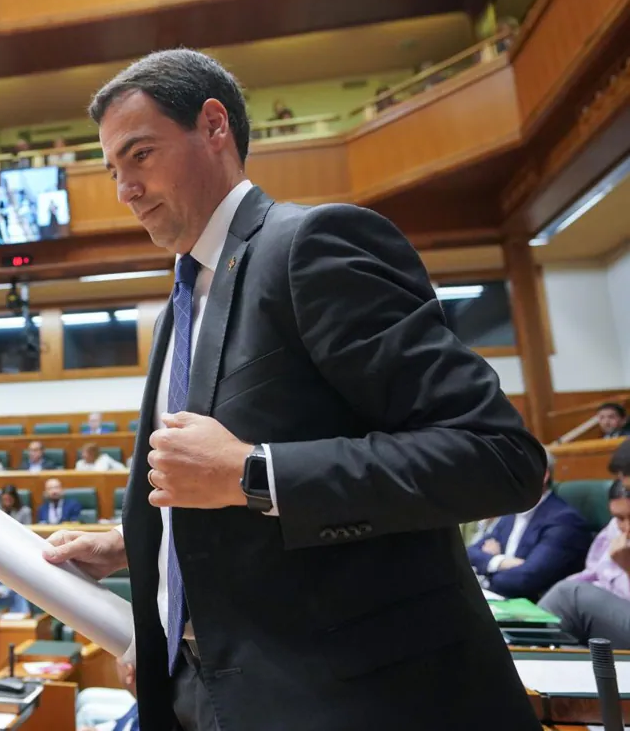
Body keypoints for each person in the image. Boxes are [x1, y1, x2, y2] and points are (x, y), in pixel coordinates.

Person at [42, 49, 545, 731]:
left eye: (140, 154)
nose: (124, 187)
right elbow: (215, 497)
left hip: (356, 702)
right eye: (113, 168)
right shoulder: (180, 307)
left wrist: (254, 473)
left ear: (214, 125)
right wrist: (139, 545)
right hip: (209, 693)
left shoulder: (312, 244)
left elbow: (497, 457)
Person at [466, 450, 590, 599]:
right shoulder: (512, 512)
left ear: (543, 475)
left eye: (514, 473)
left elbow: (525, 579)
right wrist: (500, 561)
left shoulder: (565, 521)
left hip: (536, 607)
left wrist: (485, 572)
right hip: (499, 598)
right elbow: (470, 552)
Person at [540, 480, 630, 648]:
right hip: (607, 611)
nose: (626, 527)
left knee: (567, 596)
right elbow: (593, 572)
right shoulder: (614, 529)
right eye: (619, 518)